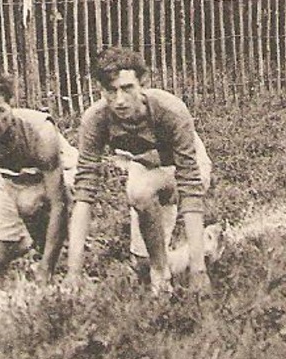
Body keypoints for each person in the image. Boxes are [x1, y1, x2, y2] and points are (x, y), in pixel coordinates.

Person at [67, 45, 214, 295]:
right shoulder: (96, 119)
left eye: (127, 88)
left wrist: (199, 273)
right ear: (101, 90)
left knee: (139, 191)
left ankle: (163, 273)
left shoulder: (171, 110)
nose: (120, 100)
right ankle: (203, 247)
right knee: (141, 267)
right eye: (111, 91)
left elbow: (190, 185)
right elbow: (84, 194)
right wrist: (73, 272)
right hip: (147, 163)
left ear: (143, 83)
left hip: (186, 163)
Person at [0, 70, 77, 283]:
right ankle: (29, 238)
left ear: (11, 104)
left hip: (62, 174)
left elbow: (58, 200)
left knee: (29, 202)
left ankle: (51, 253)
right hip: (13, 179)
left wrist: (46, 268)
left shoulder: (39, 130)